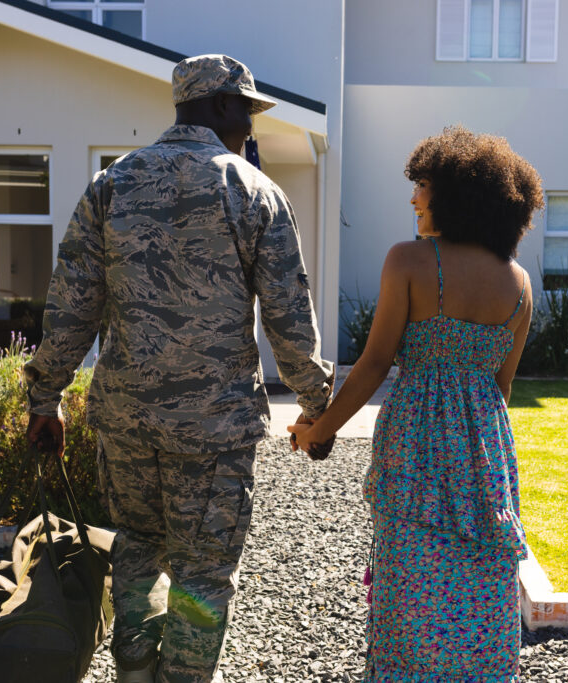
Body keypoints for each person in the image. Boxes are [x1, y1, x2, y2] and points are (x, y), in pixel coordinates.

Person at [24, 54, 336, 683]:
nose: (250, 124)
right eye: (246, 109)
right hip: (214, 432)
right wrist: (317, 404)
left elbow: (70, 305)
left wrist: (45, 398)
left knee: (136, 549)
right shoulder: (253, 192)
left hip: (126, 422)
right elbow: (288, 318)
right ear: (220, 104)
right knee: (204, 570)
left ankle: (137, 674)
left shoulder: (111, 185)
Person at [288, 125, 543, 681]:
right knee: (479, 580)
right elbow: (501, 390)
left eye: (422, 185)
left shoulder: (408, 260)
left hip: (416, 446)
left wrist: (320, 429)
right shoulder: (520, 284)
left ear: (455, 193)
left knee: (410, 585)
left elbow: (376, 363)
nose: (413, 197)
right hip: (486, 453)